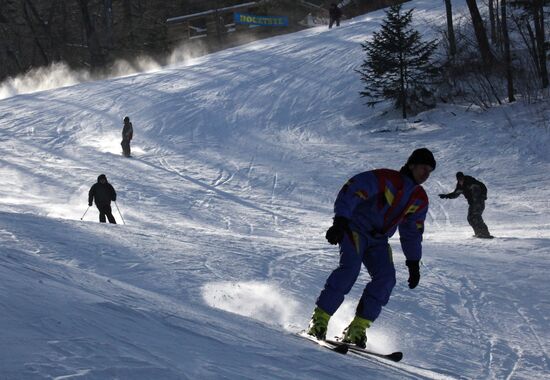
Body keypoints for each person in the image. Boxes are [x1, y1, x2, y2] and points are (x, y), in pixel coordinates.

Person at [307, 148, 436, 348]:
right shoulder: (387, 179)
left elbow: (412, 231)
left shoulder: (419, 198)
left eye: (430, 171)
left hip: (379, 241)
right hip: (355, 230)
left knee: (386, 278)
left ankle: (357, 328)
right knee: (350, 269)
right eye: (423, 168)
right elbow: (353, 190)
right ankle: (320, 320)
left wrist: (413, 263)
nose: (426, 174)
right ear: (411, 165)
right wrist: (340, 221)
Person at [439, 172, 492, 238]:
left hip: (478, 202)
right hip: (472, 204)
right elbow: (455, 194)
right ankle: (479, 233)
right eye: (459, 179)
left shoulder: (471, 181)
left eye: (461, 178)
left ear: (463, 177)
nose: (461, 180)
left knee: (476, 217)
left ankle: (485, 234)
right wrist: (446, 196)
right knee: (470, 218)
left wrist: (483, 195)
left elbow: (483, 186)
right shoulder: (460, 186)